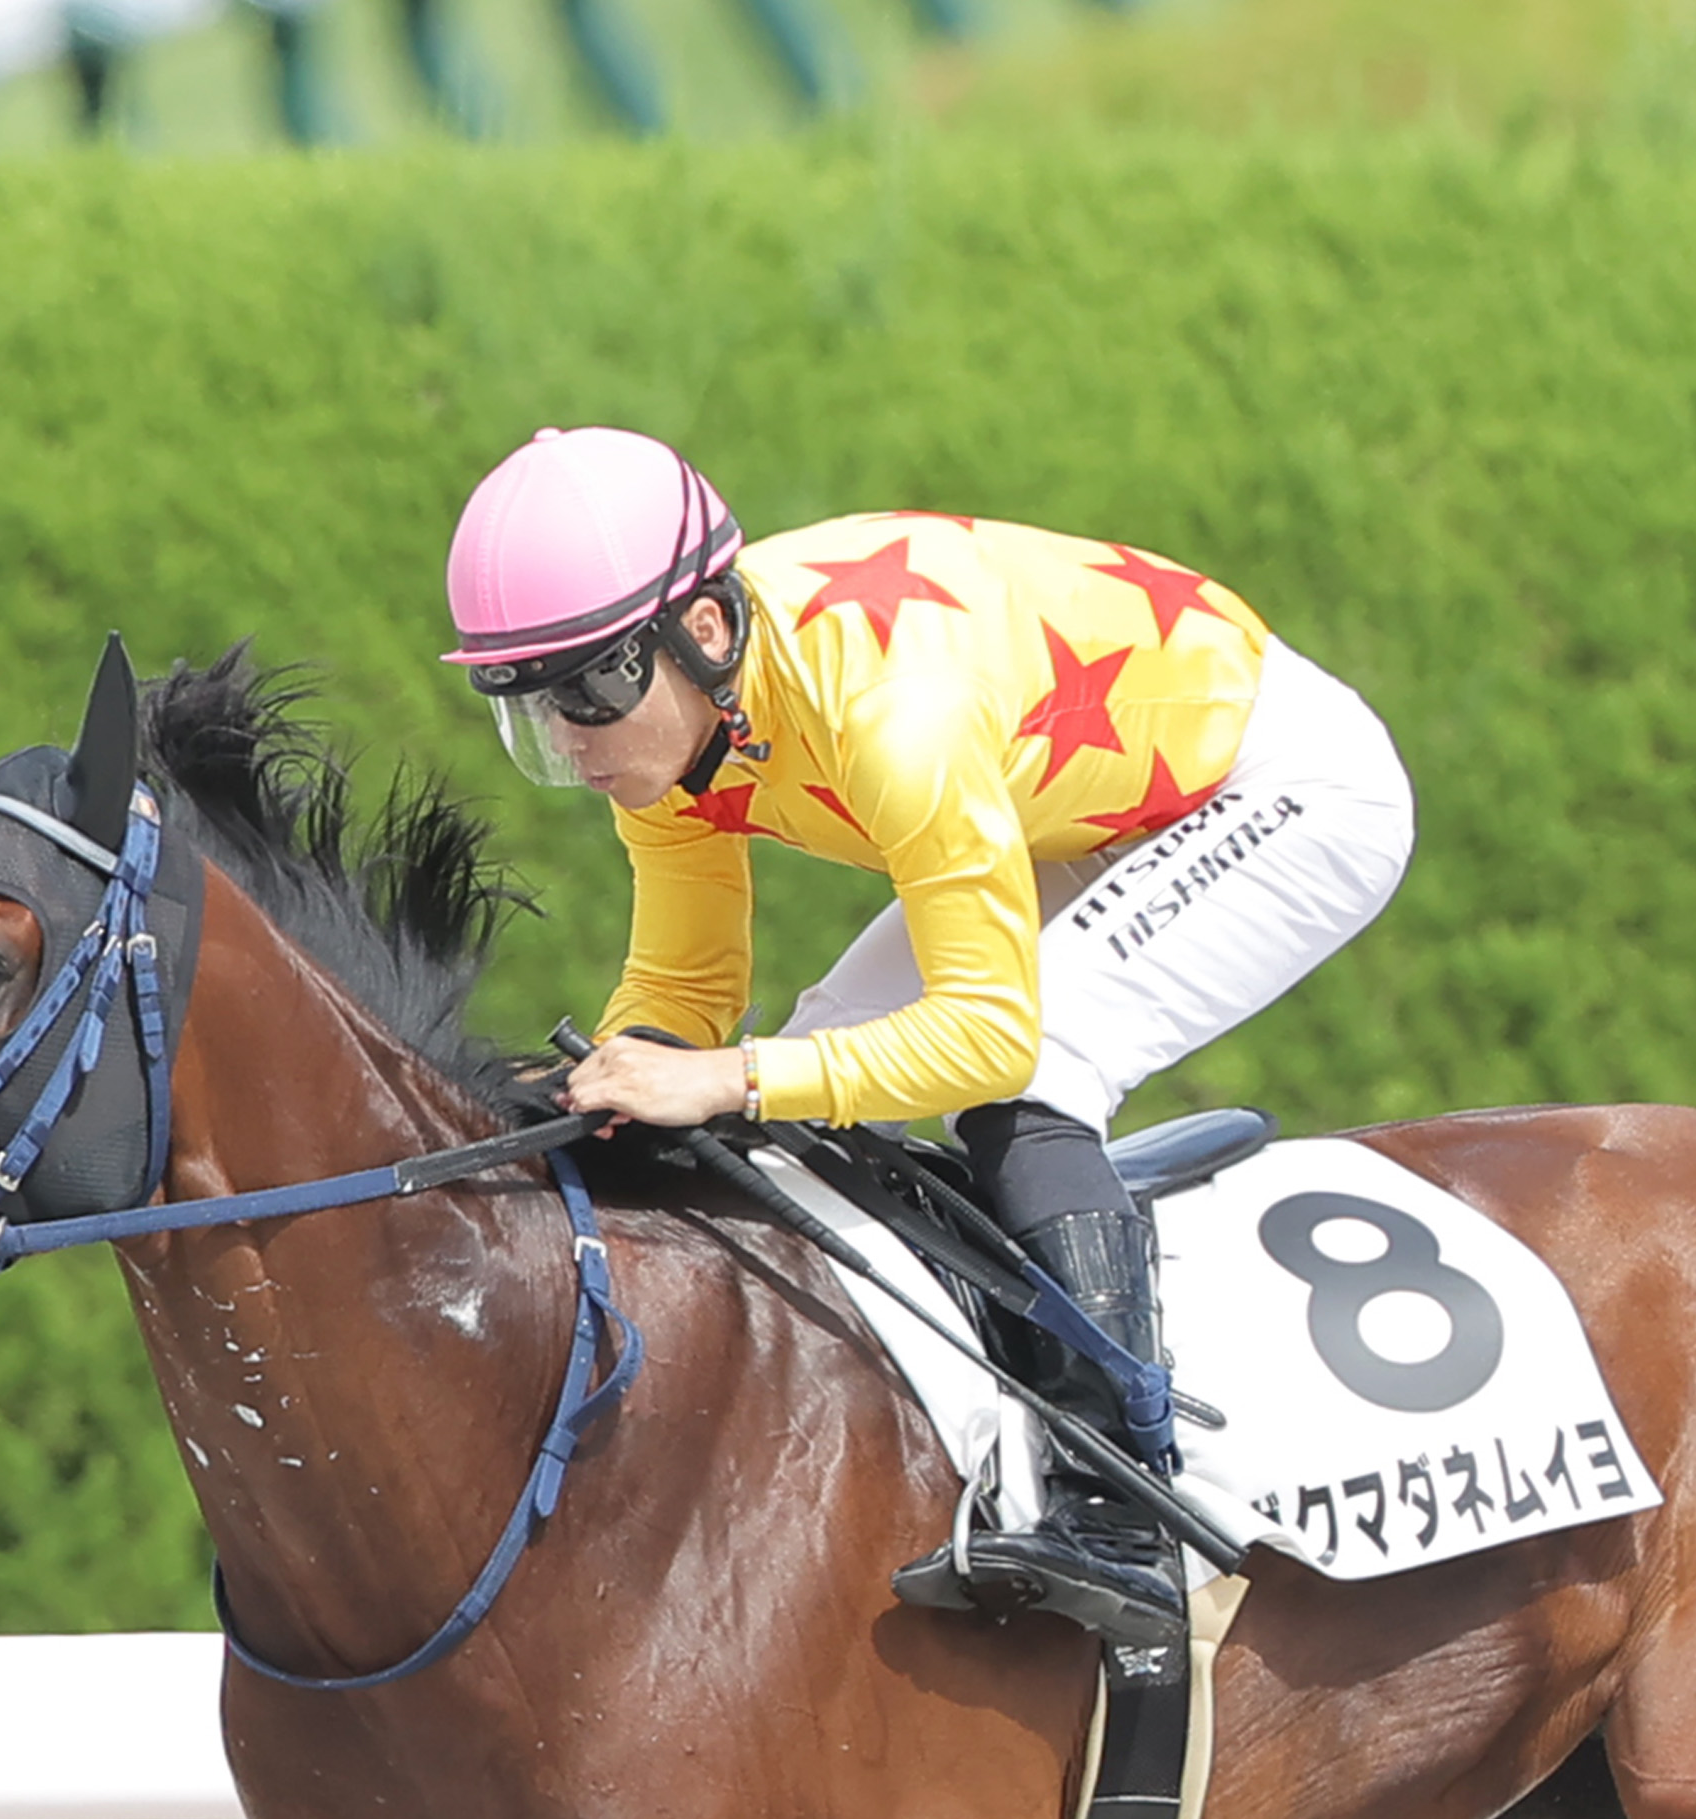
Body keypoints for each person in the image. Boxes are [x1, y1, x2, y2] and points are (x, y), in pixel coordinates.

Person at [442, 425, 1415, 1644]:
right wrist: (616, 1080)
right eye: (531, 708)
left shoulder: (892, 716)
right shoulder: (680, 727)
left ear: (701, 628)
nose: (575, 745)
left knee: (1032, 1079)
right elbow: (686, 992)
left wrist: (727, 1077)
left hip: (1271, 792)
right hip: (1069, 798)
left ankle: (1121, 1506)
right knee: (820, 1056)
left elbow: (987, 1041)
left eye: (588, 692)